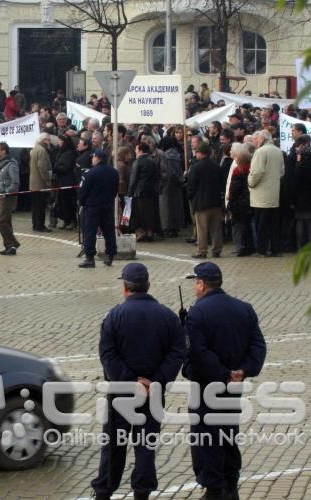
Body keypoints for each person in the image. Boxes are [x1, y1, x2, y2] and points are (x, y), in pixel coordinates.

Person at [91, 263, 186, 500]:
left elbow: (108, 356)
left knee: (113, 446)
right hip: (153, 393)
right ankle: (141, 492)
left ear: (125, 288)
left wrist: (130, 381)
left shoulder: (113, 316)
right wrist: (155, 381)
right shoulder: (168, 317)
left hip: (120, 393)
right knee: (146, 446)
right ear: (148, 286)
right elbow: (177, 353)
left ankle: (104, 491)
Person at [183, 262, 266, 500]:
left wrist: (223, 374)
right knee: (228, 433)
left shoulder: (197, 313)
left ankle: (214, 489)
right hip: (233, 387)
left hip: (206, 386)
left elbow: (197, 352)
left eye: (195, 283)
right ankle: (231, 483)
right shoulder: (244, 308)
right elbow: (258, 346)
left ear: (201, 284)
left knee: (205, 437)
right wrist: (243, 371)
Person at [78, 149, 119, 268]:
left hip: (92, 206)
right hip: (107, 205)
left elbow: (83, 191)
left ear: (98, 158)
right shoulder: (114, 172)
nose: (92, 159)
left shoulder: (89, 173)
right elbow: (115, 189)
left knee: (90, 232)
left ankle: (90, 258)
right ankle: (110, 255)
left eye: (93, 157)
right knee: (109, 231)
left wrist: (82, 202)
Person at [248, 130, 284, 256]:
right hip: (274, 194)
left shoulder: (261, 152)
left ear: (263, 138)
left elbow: (257, 172)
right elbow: (281, 172)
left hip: (261, 195)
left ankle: (261, 250)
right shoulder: (278, 150)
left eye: (256, 139)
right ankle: (276, 249)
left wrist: (250, 182)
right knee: (273, 224)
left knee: (261, 225)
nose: (255, 142)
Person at [187, 143, 224, 259]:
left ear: (200, 153)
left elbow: (191, 186)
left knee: (202, 228)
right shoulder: (216, 166)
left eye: (197, 152)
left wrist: (191, 197)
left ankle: (202, 251)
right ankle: (217, 249)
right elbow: (221, 183)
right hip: (215, 202)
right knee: (216, 228)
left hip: (201, 203)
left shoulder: (196, 167)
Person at [292, 141, 311, 247]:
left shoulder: (299, 168)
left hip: (300, 199)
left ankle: (300, 245)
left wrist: (293, 199)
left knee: (300, 221)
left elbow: (295, 186)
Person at [227, 144, 255, 257]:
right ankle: (250, 246)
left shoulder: (238, 171)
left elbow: (235, 188)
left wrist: (230, 200)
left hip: (239, 203)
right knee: (248, 225)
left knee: (238, 226)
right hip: (250, 201)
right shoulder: (251, 168)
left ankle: (240, 247)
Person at [128, 142, 161, 242]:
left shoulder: (138, 162)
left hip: (139, 192)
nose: (135, 151)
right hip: (151, 191)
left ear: (140, 151)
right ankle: (150, 232)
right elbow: (157, 176)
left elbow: (133, 180)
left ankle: (141, 233)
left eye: (136, 149)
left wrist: (129, 193)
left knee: (139, 214)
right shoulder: (153, 161)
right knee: (149, 213)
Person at [0, 142, 21, 255]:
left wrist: (7, 192)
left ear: (3, 151)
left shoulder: (11, 165)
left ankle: (13, 243)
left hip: (7, 197)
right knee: (6, 221)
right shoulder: (1, 163)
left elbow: (15, 182)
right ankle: (9, 247)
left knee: (1, 221)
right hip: (0, 196)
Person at [29, 133, 53, 232]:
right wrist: (47, 180)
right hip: (40, 183)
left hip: (34, 182)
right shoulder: (42, 150)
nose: (49, 142)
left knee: (35, 206)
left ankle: (35, 224)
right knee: (40, 206)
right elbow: (42, 167)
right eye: (48, 140)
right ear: (44, 140)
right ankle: (40, 226)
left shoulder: (35, 148)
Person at [54, 135, 78, 230]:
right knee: (62, 202)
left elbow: (66, 167)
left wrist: (56, 169)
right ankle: (65, 220)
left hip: (68, 181)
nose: (58, 142)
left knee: (69, 202)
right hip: (61, 181)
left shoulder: (70, 153)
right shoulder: (60, 152)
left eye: (60, 140)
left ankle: (72, 221)